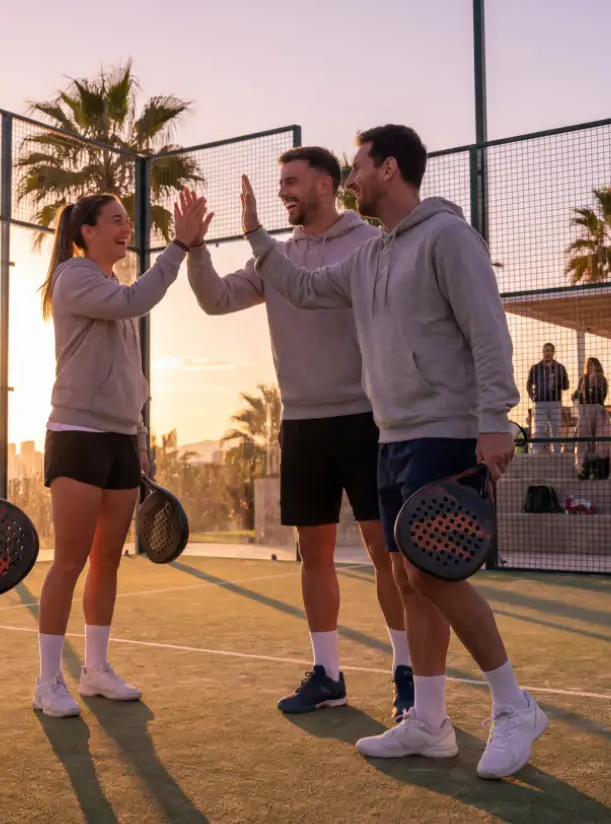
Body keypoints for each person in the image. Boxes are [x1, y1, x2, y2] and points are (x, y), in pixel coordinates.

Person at [238, 124, 547, 779]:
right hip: (395, 436)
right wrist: (258, 238)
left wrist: (496, 418)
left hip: (448, 430)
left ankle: (515, 706)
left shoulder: (448, 238)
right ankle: (429, 722)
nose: (350, 180)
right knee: (409, 578)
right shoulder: (372, 254)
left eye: (358, 168)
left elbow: (488, 330)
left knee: (437, 574)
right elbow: (306, 288)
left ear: (390, 168)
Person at [186, 146, 416, 720]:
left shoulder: (368, 244)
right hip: (302, 424)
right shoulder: (278, 257)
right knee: (312, 552)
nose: (282, 190)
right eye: (280, 181)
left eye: (292, 181)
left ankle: (409, 671)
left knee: (385, 550)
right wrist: (192, 249)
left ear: (325, 185)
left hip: (366, 420)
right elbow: (215, 300)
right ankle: (329, 674)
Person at [32, 189, 212, 717]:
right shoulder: (75, 277)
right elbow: (137, 300)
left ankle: (95, 671)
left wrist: (138, 440)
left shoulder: (110, 284)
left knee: (107, 557)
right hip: (76, 433)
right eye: (114, 221)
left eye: (126, 222)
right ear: (86, 232)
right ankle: (47, 681)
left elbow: (133, 375)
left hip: (117, 440)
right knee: (68, 560)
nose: (124, 228)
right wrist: (179, 246)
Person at [572, 357, 611, 477]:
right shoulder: (583, 379)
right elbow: (576, 395)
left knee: (599, 439)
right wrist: (579, 393)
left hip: (598, 409)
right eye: (588, 365)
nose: (590, 367)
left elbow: (602, 396)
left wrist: (594, 388)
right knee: (582, 439)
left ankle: (600, 466)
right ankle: (581, 467)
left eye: (592, 365)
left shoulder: (602, 379)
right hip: (585, 410)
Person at [526, 343, 569, 453]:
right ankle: (536, 452)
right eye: (545, 350)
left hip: (555, 402)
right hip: (540, 403)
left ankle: (557, 452)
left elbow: (566, 386)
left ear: (553, 352)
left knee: (556, 430)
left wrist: (558, 381)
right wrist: (533, 397)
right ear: (542, 352)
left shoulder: (560, 368)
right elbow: (529, 384)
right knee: (539, 429)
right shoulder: (536, 368)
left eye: (549, 351)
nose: (547, 353)